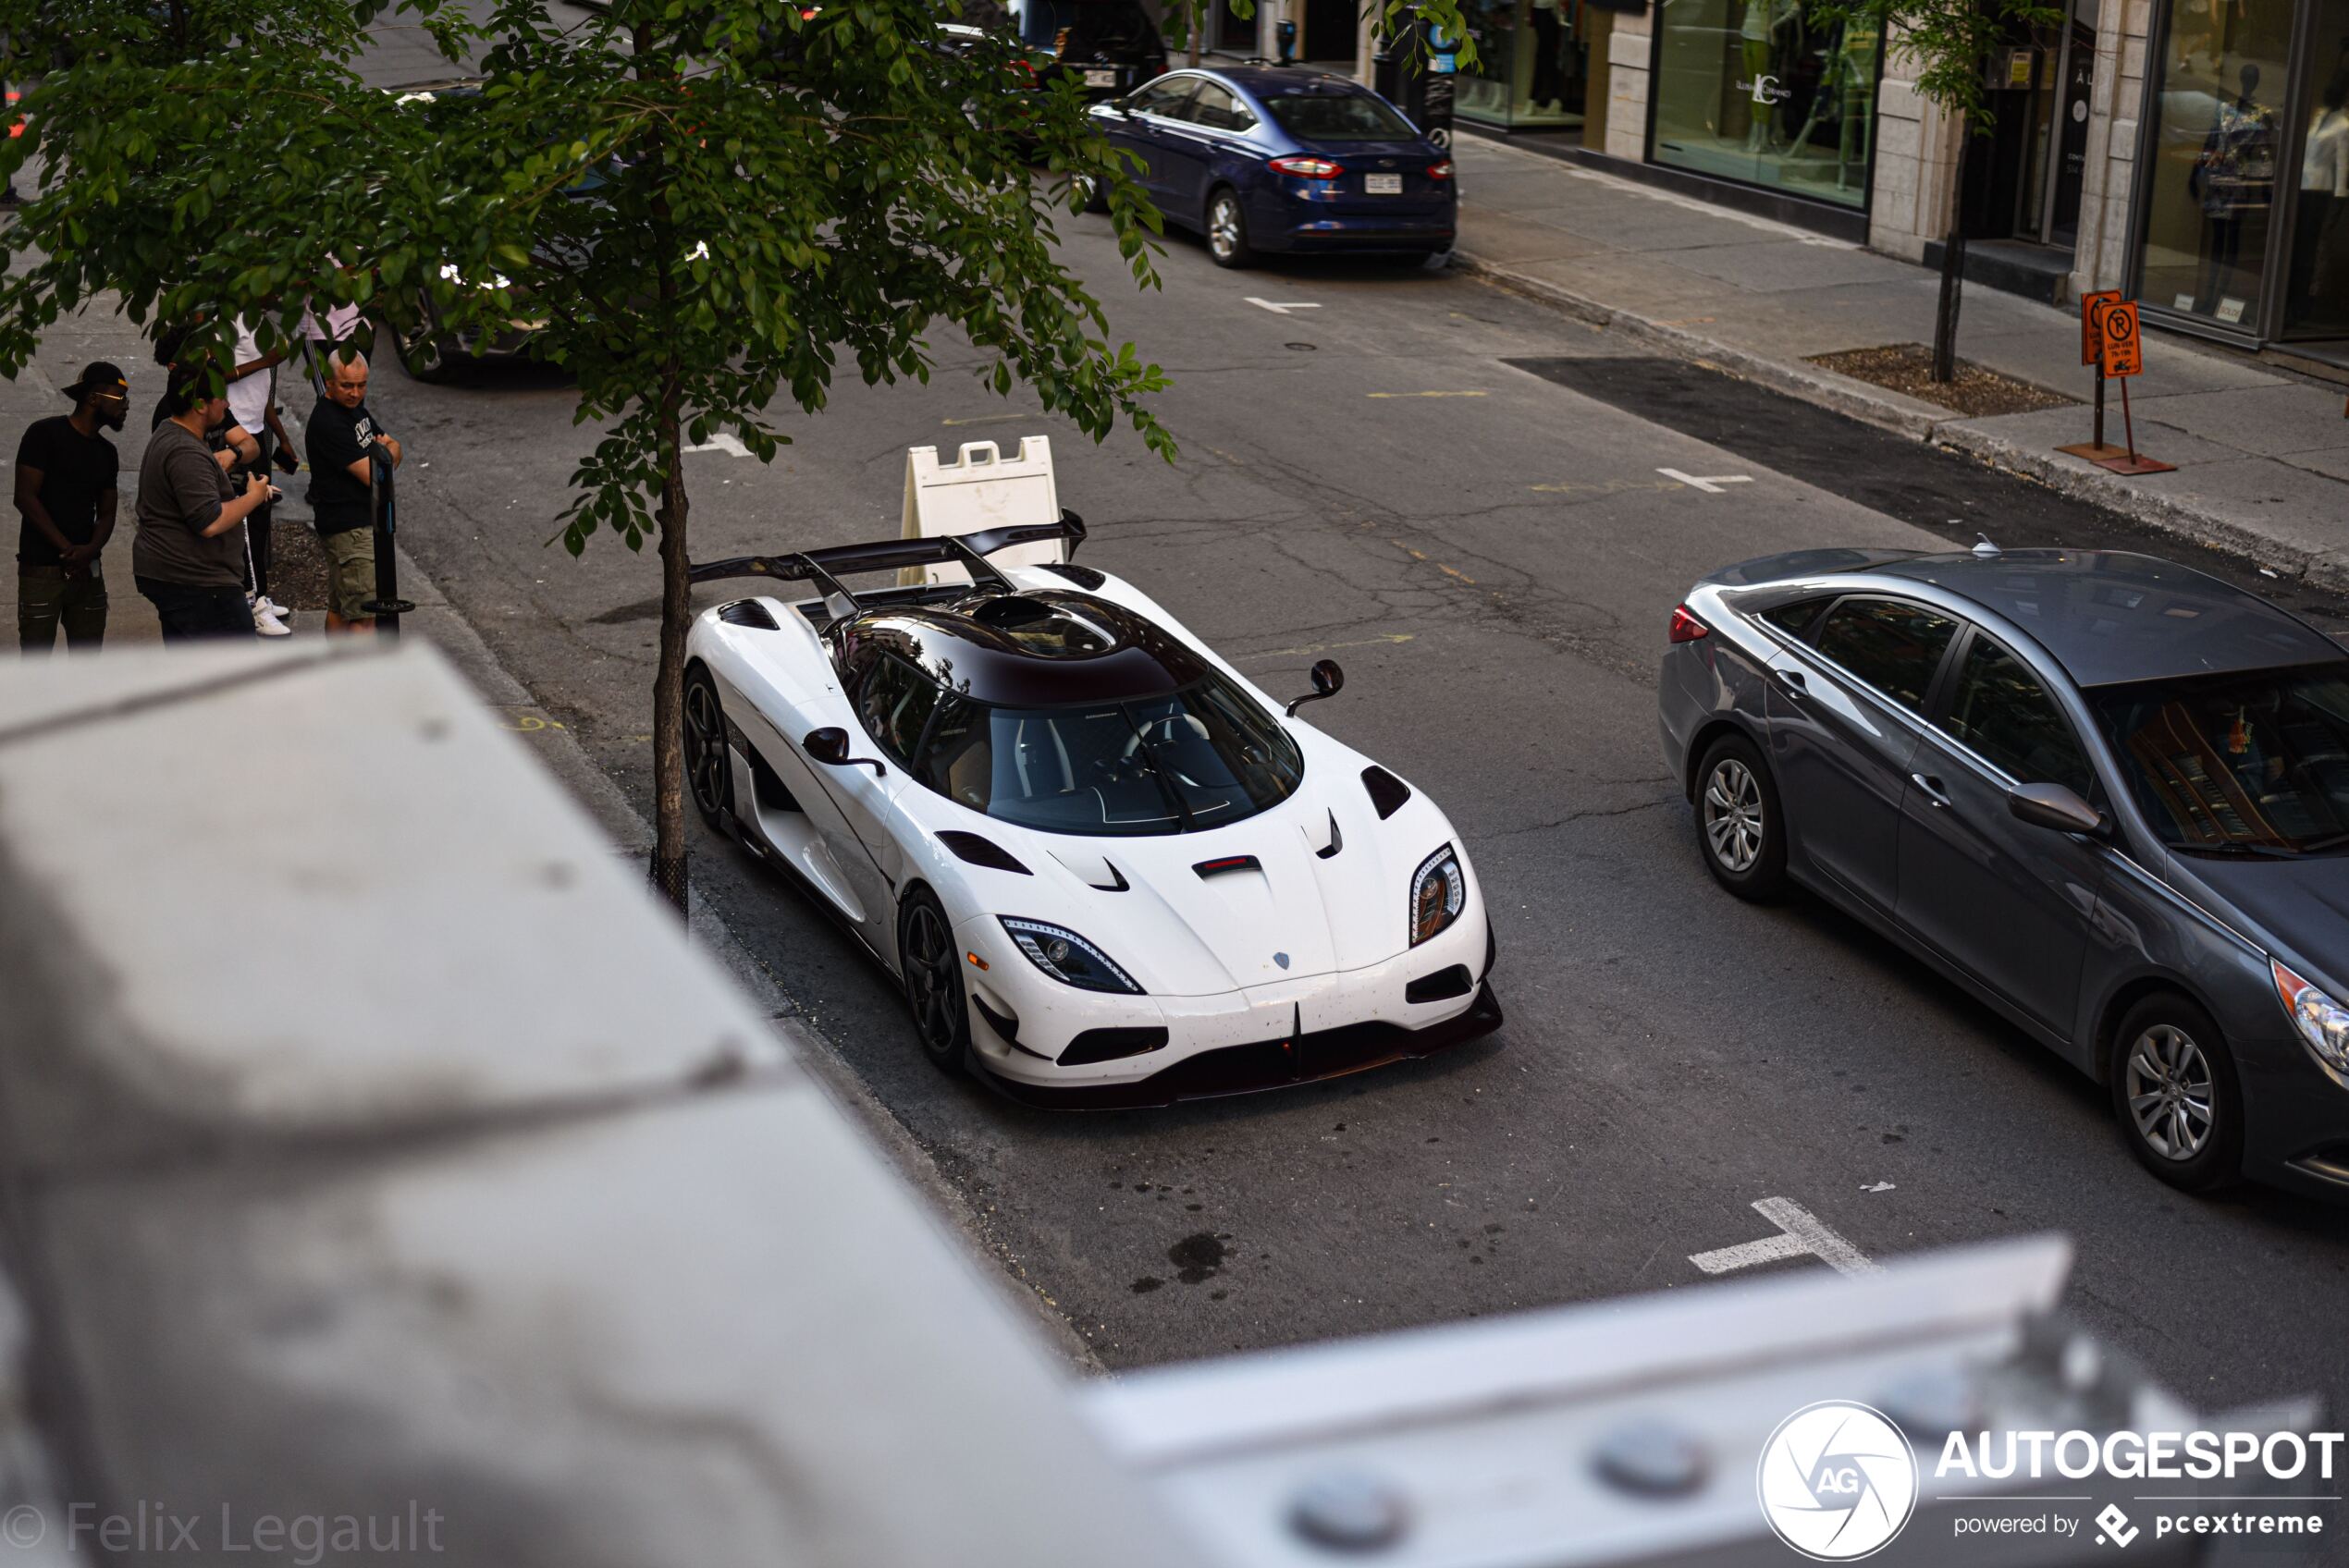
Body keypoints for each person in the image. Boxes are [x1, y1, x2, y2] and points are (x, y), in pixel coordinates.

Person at [132, 361, 274, 642]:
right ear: (200, 404)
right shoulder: (185, 451)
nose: (227, 402)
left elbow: (248, 448)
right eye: (221, 396)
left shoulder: (172, 431)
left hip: (180, 578)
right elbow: (209, 521)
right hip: (197, 583)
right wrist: (253, 497)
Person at [14, 361, 127, 653]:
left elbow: (107, 512)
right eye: (119, 396)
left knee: (87, 660)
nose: (125, 405)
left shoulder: (106, 452)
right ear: (92, 398)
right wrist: (67, 549)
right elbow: (25, 497)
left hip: (87, 571)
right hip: (41, 569)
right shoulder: (44, 434)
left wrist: (89, 550)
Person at [304, 348, 401, 634]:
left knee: (341, 607)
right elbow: (373, 474)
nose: (356, 393)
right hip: (349, 530)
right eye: (347, 385)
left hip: (355, 526)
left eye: (362, 385)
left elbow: (395, 448)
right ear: (329, 382)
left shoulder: (354, 410)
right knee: (365, 615)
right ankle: (360, 678)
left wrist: (387, 454)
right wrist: (385, 454)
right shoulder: (330, 422)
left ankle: (336, 675)